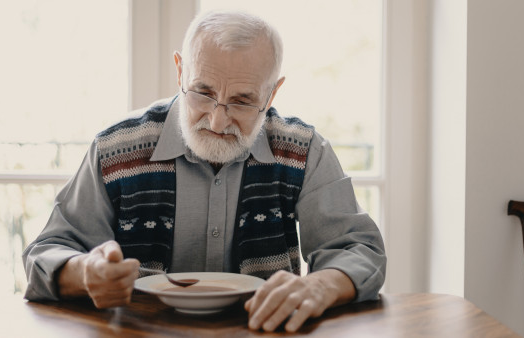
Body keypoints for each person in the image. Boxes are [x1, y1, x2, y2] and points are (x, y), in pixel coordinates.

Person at [22, 10, 386, 333]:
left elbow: (360, 249)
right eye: (203, 92)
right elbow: (47, 252)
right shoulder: (115, 147)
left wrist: (319, 285)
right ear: (181, 70)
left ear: (272, 94)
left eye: (242, 101)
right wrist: (85, 274)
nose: (217, 119)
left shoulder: (304, 150)